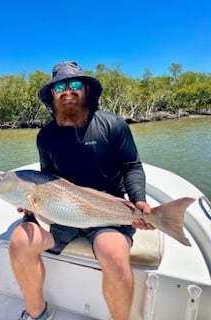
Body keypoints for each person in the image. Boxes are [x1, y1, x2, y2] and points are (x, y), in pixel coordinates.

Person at [9, 61, 152, 320]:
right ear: (53, 95)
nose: (68, 91)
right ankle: (36, 313)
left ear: (85, 88)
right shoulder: (46, 137)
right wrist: (30, 209)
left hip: (107, 212)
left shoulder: (113, 125)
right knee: (20, 241)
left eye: (74, 84)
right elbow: (45, 178)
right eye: (60, 87)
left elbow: (132, 166)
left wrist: (138, 201)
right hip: (63, 211)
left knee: (113, 254)